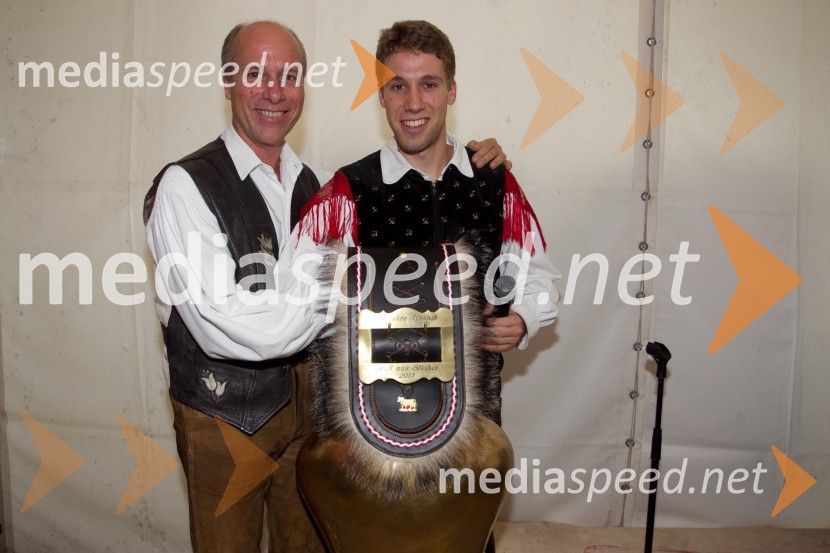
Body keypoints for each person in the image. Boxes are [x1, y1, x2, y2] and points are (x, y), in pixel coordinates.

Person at [143, 20, 510, 553]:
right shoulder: (185, 185)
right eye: (255, 73)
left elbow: (406, 269)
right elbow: (239, 329)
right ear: (227, 81)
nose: (274, 90)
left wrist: (480, 176)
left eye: (288, 75)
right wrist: (343, 286)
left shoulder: (314, 183)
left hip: (311, 421)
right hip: (226, 421)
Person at [290, 20, 560, 552]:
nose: (413, 101)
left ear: (451, 91)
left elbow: (538, 272)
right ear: (381, 96)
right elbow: (297, 294)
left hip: (475, 413)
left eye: (429, 83)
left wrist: (525, 316)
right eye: (397, 85)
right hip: (370, 415)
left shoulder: (494, 180)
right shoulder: (348, 189)